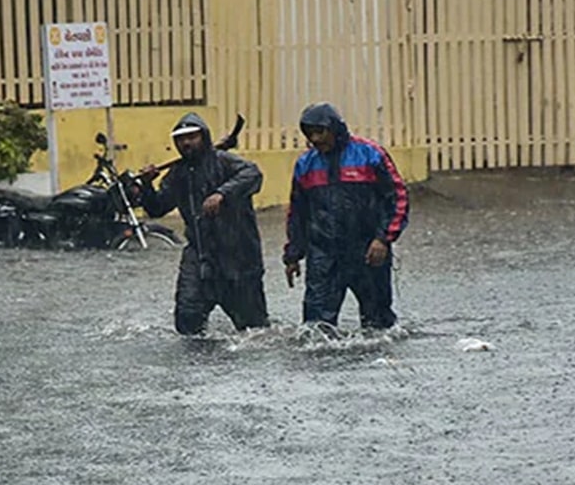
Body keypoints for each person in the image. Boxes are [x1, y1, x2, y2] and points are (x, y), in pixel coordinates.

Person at [140, 113, 269, 336]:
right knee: (188, 319)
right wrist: (146, 186)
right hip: (199, 256)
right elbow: (157, 209)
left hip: (238, 256)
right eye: (181, 139)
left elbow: (253, 174)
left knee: (253, 330)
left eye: (192, 137)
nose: (187, 143)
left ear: (204, 137)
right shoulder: (177, 174)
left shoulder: (225, 161)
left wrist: (222, 194)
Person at [283, 102, 409, 330]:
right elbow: (297, 212)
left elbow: (397, 198)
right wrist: (293, 255)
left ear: (334, 128)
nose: (316, 139)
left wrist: (383, 238)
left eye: (320, 132)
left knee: (379, 325)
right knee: (315, 329)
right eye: (310, 134)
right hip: (323, 253)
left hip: (368, 250)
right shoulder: (305, 164)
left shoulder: (370, 154)